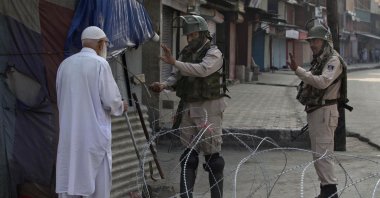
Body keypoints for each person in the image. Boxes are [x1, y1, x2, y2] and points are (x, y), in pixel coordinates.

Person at [150, 15, 228, 198]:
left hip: (209, 108)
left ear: (202, 34)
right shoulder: (186, 53)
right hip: (189, 107)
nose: (190, 39)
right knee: (188, 156)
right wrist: (163, 85)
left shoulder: (214, 53)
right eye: (188, 36)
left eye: (193, 35)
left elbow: (202, 70)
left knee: (213, 159)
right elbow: (177, 75)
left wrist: (174, 62)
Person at [55, 26, 128, 198]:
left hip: (69, 136)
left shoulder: (64, 65)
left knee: (70, 179)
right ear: (101, 43)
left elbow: (59, 97)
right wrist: (121, 106)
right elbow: (112, 101)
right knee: (97, 186)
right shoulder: (100, 64)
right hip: (93, 138)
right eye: (106, 44)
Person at [288, 23, 348, 198]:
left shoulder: (333, 60)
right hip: (317, 111)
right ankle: (325, 191)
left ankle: (331, 193)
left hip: (325, 112)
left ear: (325, 41)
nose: (312, 44)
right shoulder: (321, 58)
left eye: (315, 41)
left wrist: (298, 70)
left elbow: (322, 82)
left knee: (323, 155)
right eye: (310, 41)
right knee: (318, 155)